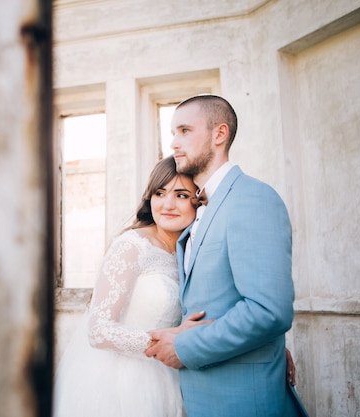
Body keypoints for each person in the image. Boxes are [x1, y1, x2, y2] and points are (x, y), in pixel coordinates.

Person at [145, 95, 309, 417]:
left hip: (244, 401)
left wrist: (184, 347)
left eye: (184, 131)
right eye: (173, 134)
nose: (174, 143)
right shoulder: (199, 211)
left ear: (219, 134)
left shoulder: (252, 198)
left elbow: (268, 311)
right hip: (201, 398)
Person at [53, 156, 209, 417]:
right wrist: (167, 340)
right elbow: (98, 331)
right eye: (160, 193)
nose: (168, 204)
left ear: (198, 201)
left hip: (170, 379)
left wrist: (266, 347)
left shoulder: (189, 252)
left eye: (181, 195)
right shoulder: (132, 246)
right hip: (120, 384)